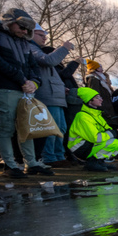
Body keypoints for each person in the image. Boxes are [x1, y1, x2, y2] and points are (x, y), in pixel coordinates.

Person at [0, 8, 54, 177]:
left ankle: (31, 163)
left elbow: (34, 67)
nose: (24, 31)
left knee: (26, 127)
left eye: (27, 29)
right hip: (3, 87)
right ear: (10, 21)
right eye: (22, 26)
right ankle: (9, 164)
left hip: (24, 90)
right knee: (5, 127)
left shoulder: (24, 42)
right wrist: (21, 78)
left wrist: (35, 83)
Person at [30, 23, 74, 167]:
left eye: (45, 35)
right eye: (40, 35)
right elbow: (48, 61)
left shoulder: (38, 50)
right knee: (50, 128)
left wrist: (62, 89)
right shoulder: (32, 49)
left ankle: (58, 155)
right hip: (47, 97)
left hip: (56, 97)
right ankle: (50, 157)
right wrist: (64, 48)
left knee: (60, 128)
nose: (44, 38)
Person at [68, 87, 118, 172]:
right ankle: (92, 162)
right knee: (113, 142)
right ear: (89, 101)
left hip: (87, 145)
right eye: (97, 97)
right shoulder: (82, 116)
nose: (101, 99)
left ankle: (99, 161)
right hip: (79, 148)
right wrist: (116, 132)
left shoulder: (97, 114)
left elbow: (107, 129)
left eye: (100, 97)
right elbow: (96, 138)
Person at [84, 60, 118, 129]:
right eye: (100, 67)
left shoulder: (102, 79)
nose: (102, 69)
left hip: (108, 107)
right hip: (104, 109)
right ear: (95, 68)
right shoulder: (93, 79)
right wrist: (103, 111)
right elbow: (95, 95)